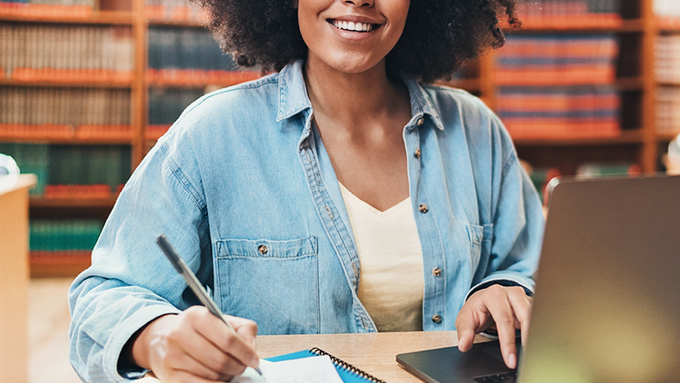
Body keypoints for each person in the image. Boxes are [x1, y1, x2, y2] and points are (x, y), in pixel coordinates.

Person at [68, 0, 545, 381]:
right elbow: (103, 296)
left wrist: (507, 287)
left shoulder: (477, 131)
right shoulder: (212, 134)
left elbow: (537, 267)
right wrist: (157, 337)